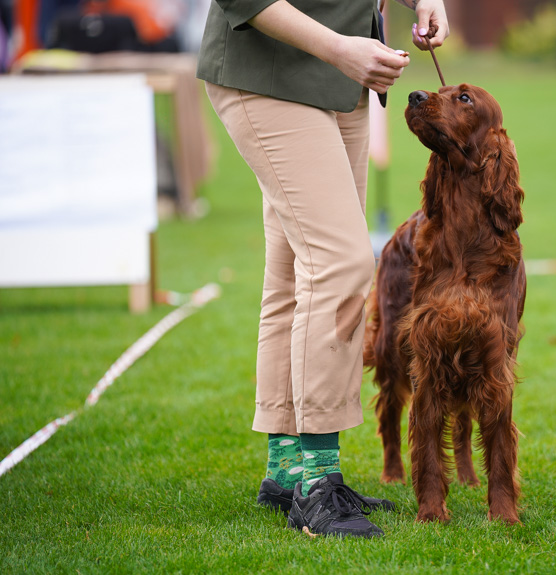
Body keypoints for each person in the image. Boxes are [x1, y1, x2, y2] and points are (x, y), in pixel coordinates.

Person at [196, 0, 449, 538]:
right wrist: (340, 48)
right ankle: (318, 484)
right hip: (270, 72)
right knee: (342, 263)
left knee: (294, 273)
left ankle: (287, 473)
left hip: (343, 83)